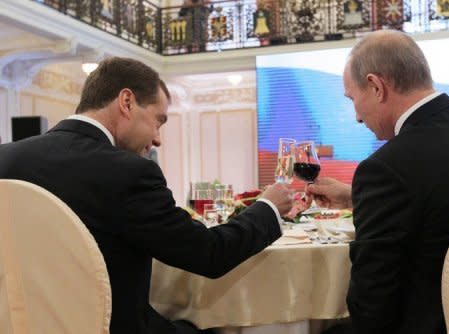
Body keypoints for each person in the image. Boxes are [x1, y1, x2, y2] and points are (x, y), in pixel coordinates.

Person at [0, 57, 294, 334]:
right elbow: (209, 254)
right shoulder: (129, 173)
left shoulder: (6, 158)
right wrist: (268, 207)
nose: (157, 139)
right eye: (158, 121)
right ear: (126, 102)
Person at [306, 29, 449, 334]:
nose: (357, 118)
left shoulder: (385, 169)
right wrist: (356, 198)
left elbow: (370, 308)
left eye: (353, 99)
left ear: (376, 86)